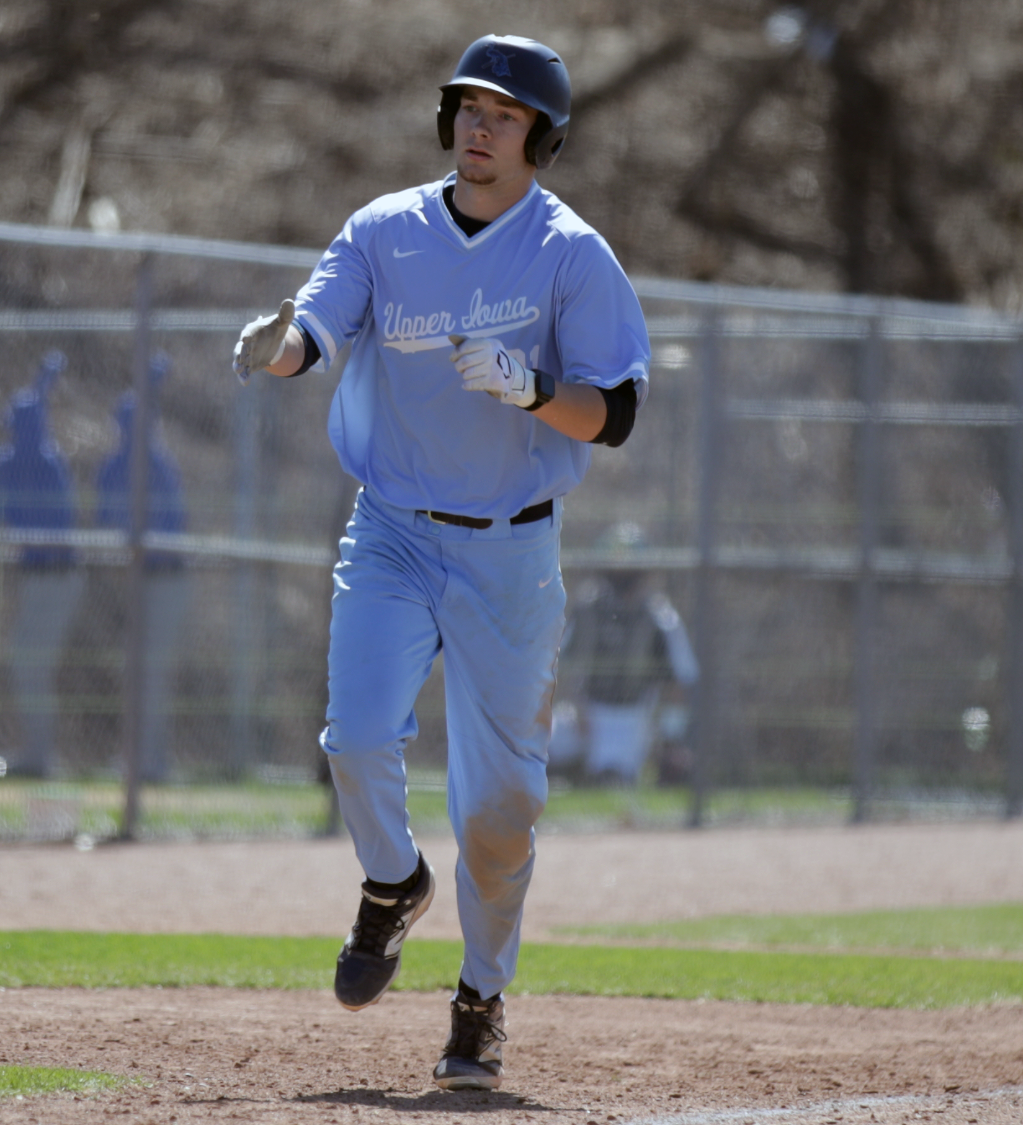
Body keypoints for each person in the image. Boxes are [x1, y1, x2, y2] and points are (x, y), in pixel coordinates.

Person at [232, 34, 648, 1091]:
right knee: (356, 735)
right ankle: (392, 882)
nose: (478, 127)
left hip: (510, 552)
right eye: (467, 107)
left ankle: (478, 1001)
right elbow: (312, 333)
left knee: (496, 810)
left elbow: (616, 415)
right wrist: (274, 345)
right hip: (391, 532)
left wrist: (530, 388)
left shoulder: (569, 253)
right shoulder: (385, 229)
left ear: (540, 139)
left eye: (503, 115)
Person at [0, 350, 82, 779]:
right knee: (27, 663)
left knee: (29, 662)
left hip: (56, 576)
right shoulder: (15, 463)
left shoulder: (46, 463)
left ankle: (39, 756)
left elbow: (49, 522)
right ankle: (35, 752)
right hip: (32, 575)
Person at [95, 355, 188, 783]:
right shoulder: (116, 466)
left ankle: (152, 761)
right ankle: (136, 758)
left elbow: (173, 525)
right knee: (134, 671)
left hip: (164, 580)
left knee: (152, 671)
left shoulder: (159, 465)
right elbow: (103, 517)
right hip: (131, 580)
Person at [554, 523, 700, 786]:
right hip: (585, 709)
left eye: (629, 568)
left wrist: (669, 739)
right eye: (614, 567)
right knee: (535, 748)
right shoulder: (586, 609)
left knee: (612, 777)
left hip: (631, 715)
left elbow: (679, 680)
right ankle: (566, 776)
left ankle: (591, 775)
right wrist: (577, 707)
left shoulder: (659, 616)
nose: (621, 575)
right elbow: (558, 665)